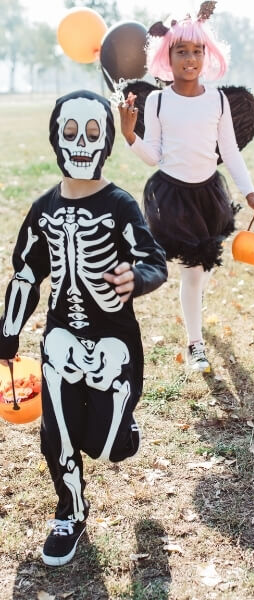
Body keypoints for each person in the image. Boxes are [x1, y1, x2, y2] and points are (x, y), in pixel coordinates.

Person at [0, 90, 168, 566]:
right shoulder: (43, 209)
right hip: (61, 338)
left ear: (107, 142)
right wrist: (8, 330)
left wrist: (137, 277)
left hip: (113, 341)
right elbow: (27, 273)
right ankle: (70, 510)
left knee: (108, 446)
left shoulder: (118, 204)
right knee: (59, 434)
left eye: (92, 133)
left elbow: (153, 260)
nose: (80, 142)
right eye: (70, 132)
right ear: (55, 138)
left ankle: (120, 430)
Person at [118, 5, 254, 374]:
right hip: (171, 197)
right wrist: (128, 133)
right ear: (166, 57)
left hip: (208, 195)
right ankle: (195, 345)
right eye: (181, 51)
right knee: (192, 272)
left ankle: (194, 318)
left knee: (201, 270)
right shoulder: (157, 101)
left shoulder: (216, 100)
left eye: (197, 51)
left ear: (208, 55)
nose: (190, 58)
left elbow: (228, 152)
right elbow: (152, 156)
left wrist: (249, 192)